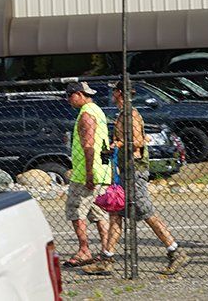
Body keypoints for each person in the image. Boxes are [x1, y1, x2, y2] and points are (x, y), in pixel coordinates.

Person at [83, 81, 190, 275]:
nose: (112, 94)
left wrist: (118, 144)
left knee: (147, 212)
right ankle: (107, 258)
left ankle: (176, 251)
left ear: (118, 93)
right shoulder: (124, 113)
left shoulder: (130, 114)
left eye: (114, 91)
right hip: (126, 170)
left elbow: (139, 140)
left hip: (135, 171)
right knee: (116, 213)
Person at [63, 81, 111, 267]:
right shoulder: (97, 110)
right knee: (98, 211)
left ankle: (84, 250)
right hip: (101, 170)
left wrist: (89, 173)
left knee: (75, 210)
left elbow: (89, 146)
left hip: (86, 173)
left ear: (79, 94)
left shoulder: (86, 115)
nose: (68, 100)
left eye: (70, 95)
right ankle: (106, 250)